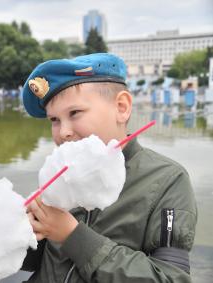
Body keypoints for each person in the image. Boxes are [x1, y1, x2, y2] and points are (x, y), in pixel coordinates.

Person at [20, 53, 197, 282]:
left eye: (74, 113)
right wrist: (24, 232)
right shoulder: (61, 174)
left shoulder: (169, 180)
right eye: (54, 120)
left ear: (122, 107)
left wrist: (72, 235)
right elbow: (38, 260)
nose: (63, 132)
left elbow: (172, 278)